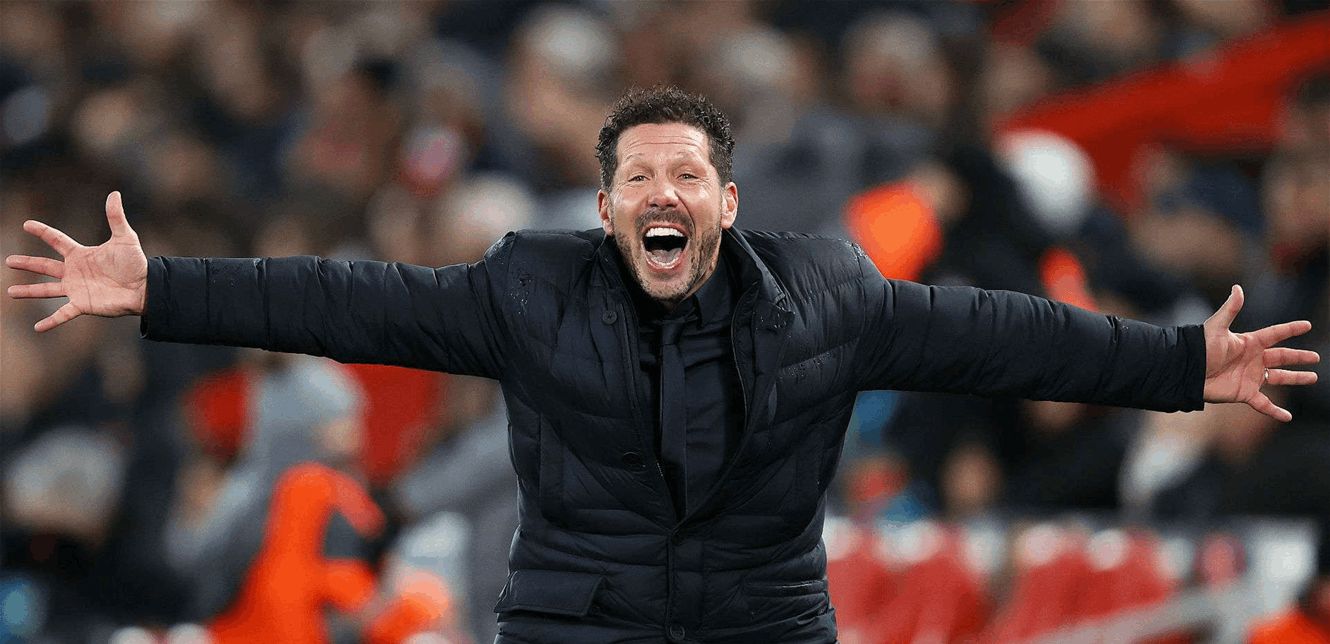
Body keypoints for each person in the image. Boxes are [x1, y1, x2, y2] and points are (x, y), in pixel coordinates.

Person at [5, 86, 1320, 643]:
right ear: (605, 207)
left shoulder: (829, 292)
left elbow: (1002, 335)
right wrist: (160, 287)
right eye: (637, 176)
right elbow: (350, 301)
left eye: (686, 173)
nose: (662, 194)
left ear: (729, 203)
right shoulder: (528, 291)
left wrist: (1177, 364)